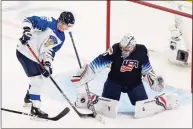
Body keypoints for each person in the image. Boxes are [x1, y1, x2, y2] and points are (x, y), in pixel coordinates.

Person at [71, 33, 180, 118]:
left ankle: (164, 102)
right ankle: (91, 100)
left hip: (134, 83)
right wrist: (89, 71)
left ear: (132, 47)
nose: (123, 50)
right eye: (122, 48)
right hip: (114, 82)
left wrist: (153, 80)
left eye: (126, 49)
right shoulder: (115, 49)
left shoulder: (142, 51)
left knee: (143, 108)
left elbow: (147, 69)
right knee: (107, 107)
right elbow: (100, 61)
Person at [16, 11, 75, 118]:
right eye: (66, 25)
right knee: (37, 80)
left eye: (68, 27)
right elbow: (29, 20)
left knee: (41, 77)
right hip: (25, 51)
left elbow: (50, 51)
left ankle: (29, 97)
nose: (65, 28)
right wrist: (26, 32)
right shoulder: (48, 22)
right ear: (61, 21)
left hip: (35, 57)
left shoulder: (61, 38)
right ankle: (35, 108)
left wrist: (47, 64)